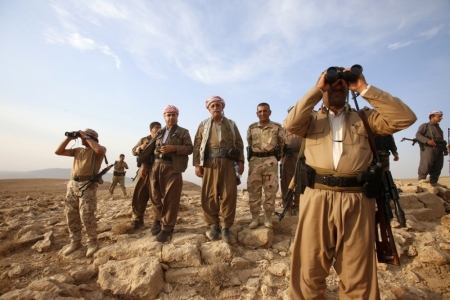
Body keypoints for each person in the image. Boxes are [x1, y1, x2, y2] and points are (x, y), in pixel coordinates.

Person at [284, 67, 416, 299]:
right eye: (331, 85)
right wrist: (317, 88)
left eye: (341, 85)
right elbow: (290, 124)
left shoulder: (365, 118)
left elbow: (405, 118)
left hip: (357, 200)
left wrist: (364, 88)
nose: (336, 88)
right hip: (317, 198)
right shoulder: (311, 120)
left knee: (358, 273)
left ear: (347, 90)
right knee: (309, 267)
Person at [193, 96, 245, 243]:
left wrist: (241, 161)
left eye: (218, 105)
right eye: (213, 105)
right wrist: (198, 164)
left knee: (229, 194)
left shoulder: (231, 124)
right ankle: (213, 225)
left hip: (228, 162)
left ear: (223, 107)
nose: (216, 107)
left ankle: (226, 226)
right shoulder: (203, 125)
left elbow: (239, 143)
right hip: (210, 163)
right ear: (209, 108)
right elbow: (197, 145)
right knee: (210, 194)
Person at [138, 105, 193, 242]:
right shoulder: (159, 132)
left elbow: (189, 148)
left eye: (173, 115)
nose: (171, 117)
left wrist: (174, 148)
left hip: (172, 167)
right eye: (168, 115)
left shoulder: (183, 132)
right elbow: (150, 149)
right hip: (156, 166)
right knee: (155, 196)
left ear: (177, 116)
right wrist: (144, 165)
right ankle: (162, 221)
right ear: (164, 117)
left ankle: (167, 228)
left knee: (171, 198)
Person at [55, 128, 107, 257]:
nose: (82, 139)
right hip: (72, 184)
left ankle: (92, 242)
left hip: (87, 185)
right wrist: (69, 138)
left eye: (84, 137)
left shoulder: (98, 150)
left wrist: (85, 136)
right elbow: (58, 151)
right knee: (71, 214)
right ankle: (75, 241)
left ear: (92, 138)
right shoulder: (78, 151)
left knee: (86, 214)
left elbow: (99, 150)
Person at [247, 103, 284, 229]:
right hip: (255, 161)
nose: (262, 113)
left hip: (271, 160)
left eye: (265, 111)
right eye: (260, 111)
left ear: (270, 112)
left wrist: (278, 158)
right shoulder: (252, 128)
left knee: (271, 190)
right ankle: (255, 218)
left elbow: (282, 143)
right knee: (253, 190)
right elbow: (249, 142)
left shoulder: (277, 127)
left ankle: (268, 217)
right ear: (257, 113)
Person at [130, 122, 162, 229]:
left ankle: (157, 220)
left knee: (156, 196)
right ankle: (137, 219)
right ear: (151, 129)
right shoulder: (144, 139)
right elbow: (134, 151)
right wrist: (140, 147)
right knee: (139, 195)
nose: (158, 129)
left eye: (160, 127)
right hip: (143, 170)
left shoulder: (162, 139)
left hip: (157, 171)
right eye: (156, 127)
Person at [416, 110, 448, 187]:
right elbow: (418, 135)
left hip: (439, 148)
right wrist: (427, 140)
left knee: (438, 166)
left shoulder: (439, 128)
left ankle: (433, 182)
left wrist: (444, 149)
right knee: (426, 164)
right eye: (439, 116)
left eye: (441, 116)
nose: (441, 118)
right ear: (432, 117)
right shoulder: (425, 125)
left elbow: (441, 140)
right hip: (429, 148)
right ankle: (421, 181)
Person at [280, 105, 303, 216]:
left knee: (301, 183)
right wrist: (281, 159)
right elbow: (280, 143)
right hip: (288, 157)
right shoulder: (285, 127)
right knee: (286, 183)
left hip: (302, 157)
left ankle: (298, 207)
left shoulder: (305, 124)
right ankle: (287, 207)